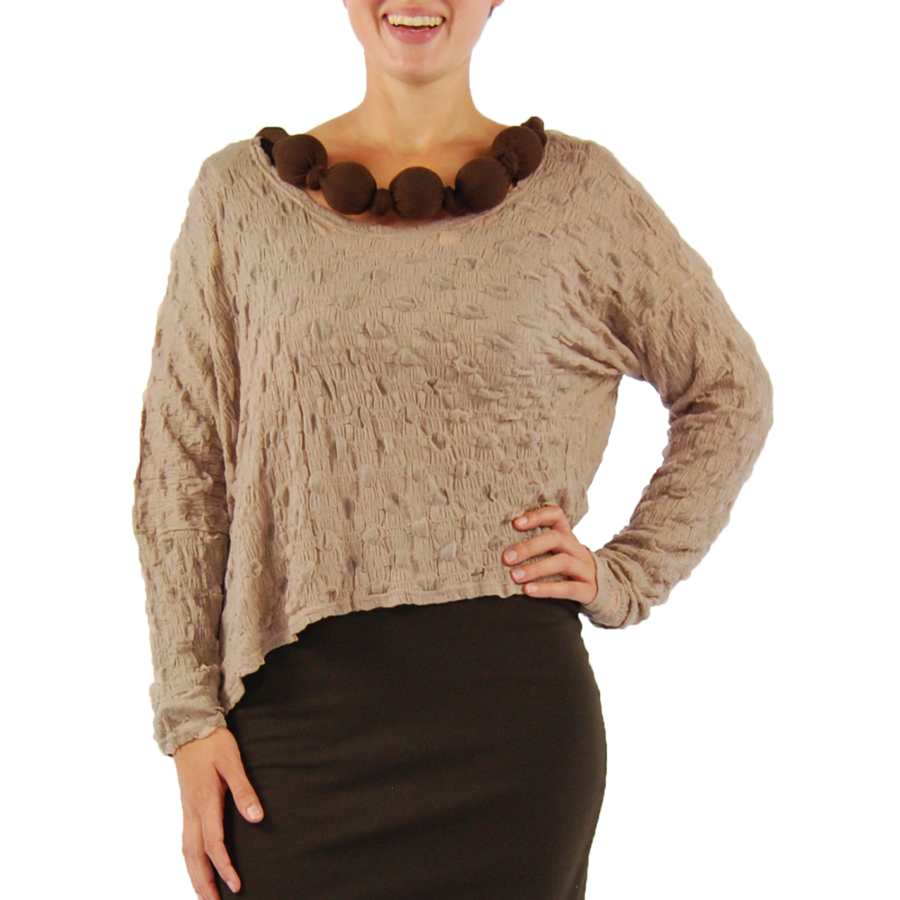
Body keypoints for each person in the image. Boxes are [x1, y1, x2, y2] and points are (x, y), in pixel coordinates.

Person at [133, 1, 774, 898]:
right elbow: (182, 462)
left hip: (512, 730)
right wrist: (190, 718)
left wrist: (627, 573)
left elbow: (731, 389)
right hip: (289, 724)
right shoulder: (238, 197)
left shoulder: (582, 196)